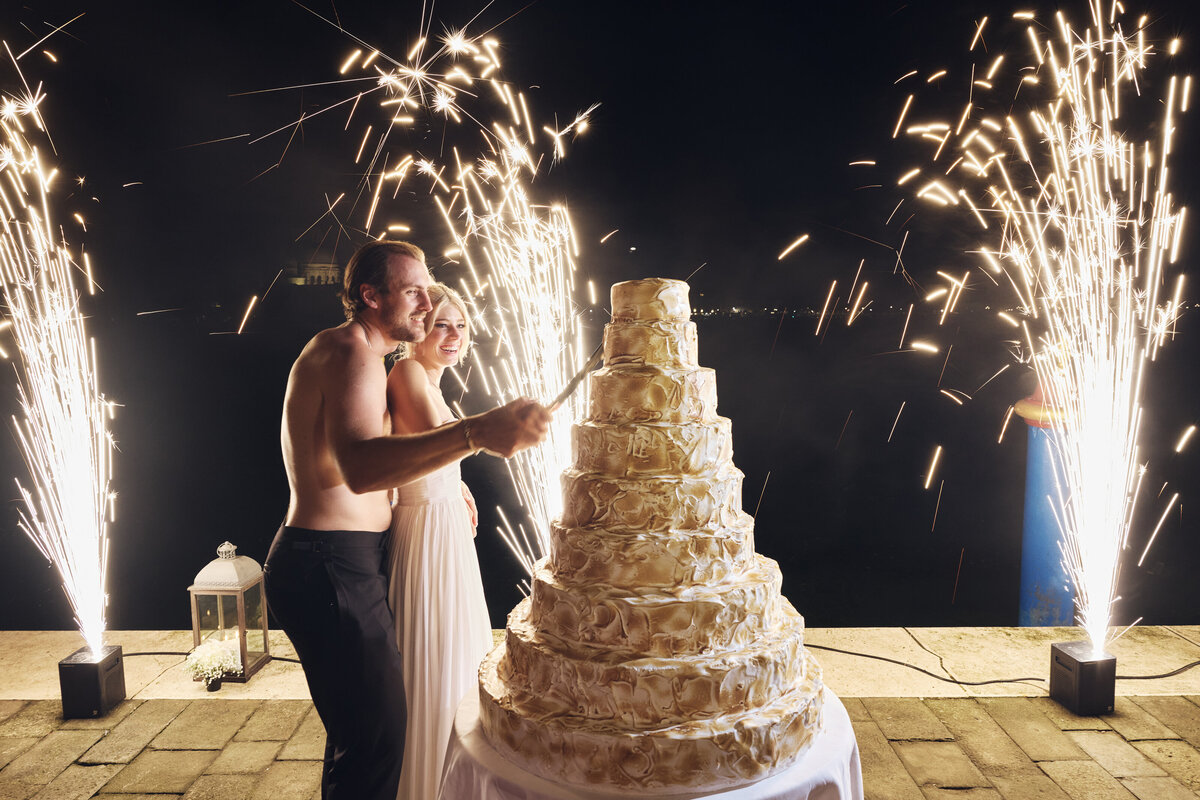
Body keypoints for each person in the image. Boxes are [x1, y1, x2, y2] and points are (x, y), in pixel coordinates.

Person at [263, 240, 550, 800]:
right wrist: (474, 433)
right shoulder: (351, 352)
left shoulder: (358, 354)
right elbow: (361, 467)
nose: (426, 302)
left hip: (340, 560)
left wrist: (450, 482)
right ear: (370, 296)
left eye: (427, 288)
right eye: (413, 290)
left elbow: (383, 461)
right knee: (377, 739)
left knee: (362, 734)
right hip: (328, 564)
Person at [386, 283, 492, 800]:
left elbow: (426, 454)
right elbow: (438, 441)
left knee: (459, 652)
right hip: (426, 532)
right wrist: (494, 426)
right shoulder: (407, 371)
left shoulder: (431, 379)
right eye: (441, 323)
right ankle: (429, 783)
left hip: (445, 522)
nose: (452, 335)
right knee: (434, 656)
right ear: (419, 328)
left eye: (460, 326)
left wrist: (459, 484)